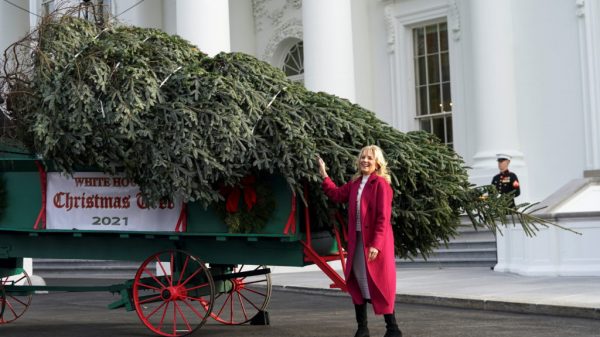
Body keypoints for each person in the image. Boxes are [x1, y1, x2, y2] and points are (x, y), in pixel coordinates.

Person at [318, 145, 402, 337]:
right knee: (358, 282)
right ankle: (362, 328)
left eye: (369, 158)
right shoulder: (356, 183)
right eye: (362, 157)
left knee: (380, 284)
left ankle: (393, 328)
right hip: (357, 243)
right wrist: (324, 175)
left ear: (377, 163)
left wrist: (376, 245)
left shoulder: (381, 185)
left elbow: (383, 218)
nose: (365, 161)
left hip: (373, 243)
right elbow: (337, 195)